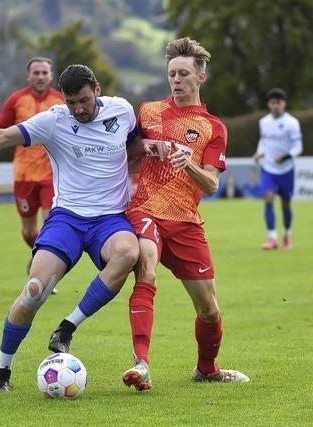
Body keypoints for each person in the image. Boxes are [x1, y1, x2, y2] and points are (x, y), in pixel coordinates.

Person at [0, 64, 140, 392]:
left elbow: (134, 147)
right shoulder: (54, 120)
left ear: (97, 89)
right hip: (67, 218)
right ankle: (1, 371)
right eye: (71, 102)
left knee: (128, 252)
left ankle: (66, 328)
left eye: (83, 100)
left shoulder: (122, 111)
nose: (78, 109)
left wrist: (151, 152)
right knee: (35, 289)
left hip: (109, 219)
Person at [120, 37, 250, 391]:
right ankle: (141, 364)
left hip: (186, 221)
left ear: (200, 78)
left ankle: (207, 369)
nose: (175, 80)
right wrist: (143, 146)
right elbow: (125, 154)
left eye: (182, 74)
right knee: (146, 269)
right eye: (171, 74)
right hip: (144, 209)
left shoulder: (212, 127)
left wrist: (188, 163)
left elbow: (211, 184)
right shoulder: (147, 112)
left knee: (209, 309)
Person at [0, 57, 64, 275]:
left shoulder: (61, 100)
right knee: (28, 230)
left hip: (50, 175)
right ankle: (36, 253)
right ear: (28, 76)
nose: (41, 77)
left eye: (45, 73)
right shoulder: (16, 99)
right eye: (36, 73)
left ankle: (43, 269)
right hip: (23, 175)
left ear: (51, 76)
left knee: (50, 225)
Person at [252, 88, 303, 250]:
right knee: (268, 197)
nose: (276, 106)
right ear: (269, 104)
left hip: (286, 169)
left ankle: (287, 233)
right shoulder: (264, 122)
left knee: (286, 204)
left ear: (284, 104)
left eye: (279, 103)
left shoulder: (292, 123)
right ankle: (272, 238)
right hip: (268, 168)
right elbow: (264, 141)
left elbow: (298, 146)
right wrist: (259, 153)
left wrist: (286, 157)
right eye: (273, 103)